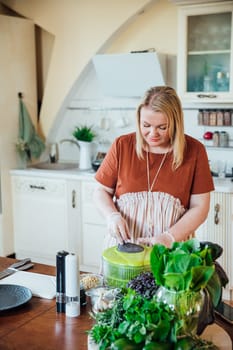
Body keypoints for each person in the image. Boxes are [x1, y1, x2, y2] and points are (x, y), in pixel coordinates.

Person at [93, 86, 214, 249]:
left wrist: (169, 237)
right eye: (146, 125)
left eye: (162, 127)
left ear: (176, 123)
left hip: (172, 249)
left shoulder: (194, 150)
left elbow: (200, 207)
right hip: (124, 248)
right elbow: (101, 191)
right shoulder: (122, 145)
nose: (152, 133)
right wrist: (112, 216)